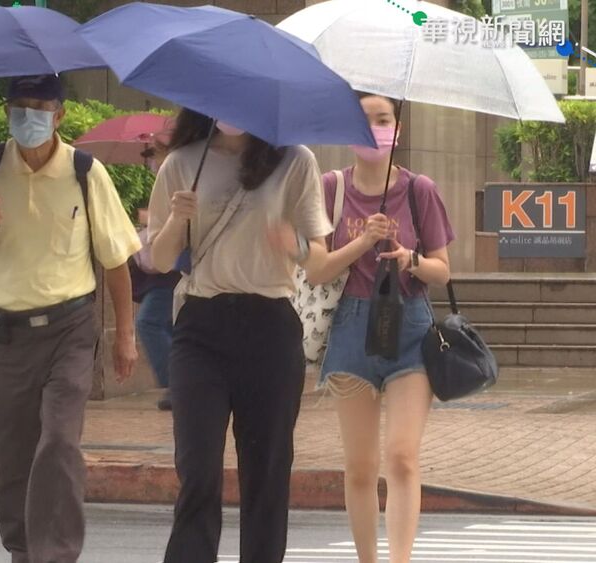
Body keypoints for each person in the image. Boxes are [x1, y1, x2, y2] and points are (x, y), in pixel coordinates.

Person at [0, 74, 141, 563]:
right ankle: (23, 550)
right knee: (10, 459)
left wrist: (125, 337)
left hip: (69, 331)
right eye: (19, 107)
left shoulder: (84, 171)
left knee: (57, 442)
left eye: (39, 107)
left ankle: (54, 555)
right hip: (6, 337)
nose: (27, 117)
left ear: (60, 115)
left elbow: (115, 260)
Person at [147, 109, 333, 563]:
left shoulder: (295, 160)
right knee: (198, 469)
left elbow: (319, 259)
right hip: (201, 327)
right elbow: (161, 259)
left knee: (267, 473)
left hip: (270, 326)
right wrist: (176, 220)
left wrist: (293, 244)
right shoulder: (182, 162)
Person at [307, 92, 454, 563]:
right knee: (360, 467)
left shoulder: (419, 190)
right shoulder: (330, 188)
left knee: (402, 457)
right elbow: (317, 270)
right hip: (351, 327)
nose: (373, 128)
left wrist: (411, 259)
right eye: (363, 120)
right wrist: (364, 241)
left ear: (398, 129)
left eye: (383, 119)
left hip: (409, 325)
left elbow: (443, 271)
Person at [129, 207, 181, 411]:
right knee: (169, 328)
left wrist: (150, 218)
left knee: (148, 322)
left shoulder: (177, 176)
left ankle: (177, 383)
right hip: (163, 274)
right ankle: (180, 385)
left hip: (170, 273)